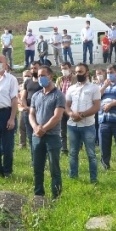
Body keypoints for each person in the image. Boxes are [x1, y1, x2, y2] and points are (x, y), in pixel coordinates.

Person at [29, 66, 65, 201]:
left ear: (50, 76)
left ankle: (56, 196)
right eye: (38, 76)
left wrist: (42, 128)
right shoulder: (36, 95)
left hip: (52, 137)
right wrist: (35, 127)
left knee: (54, 168)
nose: (40, 78)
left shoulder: (58, 95)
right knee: (37, 167)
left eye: (43, 75)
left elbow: (57, 117)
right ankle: (38, 194)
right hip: (37, 137)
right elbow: (31, 114)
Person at [65, 64, 100, 183]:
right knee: (73, 153)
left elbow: (96, 107)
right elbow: (66, 105)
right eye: (76, 72)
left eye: (80, 72)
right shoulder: (71, 88)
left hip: (87, 125)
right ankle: (73, 177)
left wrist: (82, 115)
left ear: (87, 73)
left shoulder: (94, 88)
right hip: (72, 125)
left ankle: (93, 179)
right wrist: (71, 114)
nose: (78, 74)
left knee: (91, 154)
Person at [57, 61, 74, 154]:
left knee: (72, 128)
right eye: (62, 69)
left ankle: (75, 147)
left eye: (65, 68)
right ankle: (64, 148)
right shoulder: (59, 79)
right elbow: (56, 91)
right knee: (62, 129)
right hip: (61, 107)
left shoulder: (75, 79)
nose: (64, 70)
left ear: (70, 68)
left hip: (71, 107)